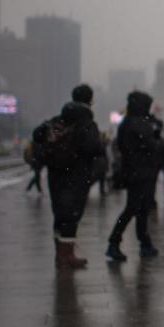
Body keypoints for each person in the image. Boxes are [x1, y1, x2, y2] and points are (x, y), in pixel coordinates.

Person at [43, 84, 105, 269]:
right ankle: (67, 256)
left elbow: (39, 134)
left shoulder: (58, 120)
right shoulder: (86, 123)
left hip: (55, 174)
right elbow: (93, 148)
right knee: (71, 216)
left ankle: (59, 255)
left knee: (59, 215)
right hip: (76, 175)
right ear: (90, 100)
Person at [106, 91, 164, 260]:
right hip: (142, 172)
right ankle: (116, 242)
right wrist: (158, 139)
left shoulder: (127, 122)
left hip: (133, 171)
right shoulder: (140, 123)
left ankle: (143, 243)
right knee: (135, 209)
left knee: (139, 209)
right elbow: (152, 145)